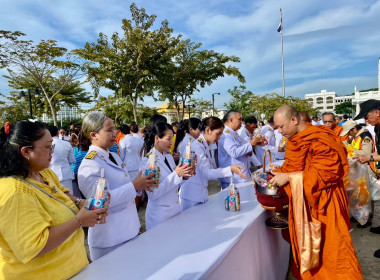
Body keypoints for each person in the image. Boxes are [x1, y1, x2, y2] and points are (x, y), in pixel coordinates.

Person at [0, 120, 108, 279]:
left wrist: (80, 202)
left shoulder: (43, 173)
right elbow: (33, 246)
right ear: (26, 152)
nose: (53, 151)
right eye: (48, 146)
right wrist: (79, 221)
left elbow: (60, 194)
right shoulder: (15, 193)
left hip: (74, 269)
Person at [269, 105, 363, 279]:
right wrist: (280, 174)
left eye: (281, 126)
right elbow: (293, 166)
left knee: (333, 252)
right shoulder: (295, 140)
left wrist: (290, 178)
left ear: (294, 120)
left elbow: (327, 173)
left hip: (327, 203)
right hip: (305, 204)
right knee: (312, 254)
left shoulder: (320, 138)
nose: (279, 131)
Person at [78, 112, 156, 261]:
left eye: (114, 129)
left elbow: (124, 184)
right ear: (94, 134)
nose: (114, 133)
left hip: (128, 229)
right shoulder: (90, 163)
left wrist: (140, 185)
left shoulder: (112, 155)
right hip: (110, 238)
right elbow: (98, 204)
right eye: (109, 130)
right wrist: (134, 186)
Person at [180, 117, 247, 210]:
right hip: (191, 196)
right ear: (208, 130)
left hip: (200, 193)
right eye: (218, 134)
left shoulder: (207, 145)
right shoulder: (197, 146)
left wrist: (221, 171)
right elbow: (207, 173)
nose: (219, 138)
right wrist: (229, 169)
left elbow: (209, 168)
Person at [140, 122, 191, 229]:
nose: (171, 143)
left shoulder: (168, 156)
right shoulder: (149, 161)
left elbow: (174, 183)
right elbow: (153, 193)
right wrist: (176, 175)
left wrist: (183, 177)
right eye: (168, 139)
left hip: (175, 209)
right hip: (160, 215)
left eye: (172, 139)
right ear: (157, 138)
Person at [353, 99, 380, 258]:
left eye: (367, 116)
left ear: (377, 112)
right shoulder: (377, 128)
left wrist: (369, 157)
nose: (365, 120)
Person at [218, 110, 262, 189]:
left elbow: (244, 148)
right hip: (233, 178)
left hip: (241, 176)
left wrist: (252, 146)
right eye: (240, 119)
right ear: (231, 120)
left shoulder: (234, 133)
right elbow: (234, 152)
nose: (242, 122)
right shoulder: (225, 134)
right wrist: (250, 144)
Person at [48, 125, 75, 193]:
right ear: (58, 133)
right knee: (69, 196)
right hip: (66, 173)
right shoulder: (66, 144)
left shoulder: (46, 145)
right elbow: (72, 160)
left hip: (51, 172)